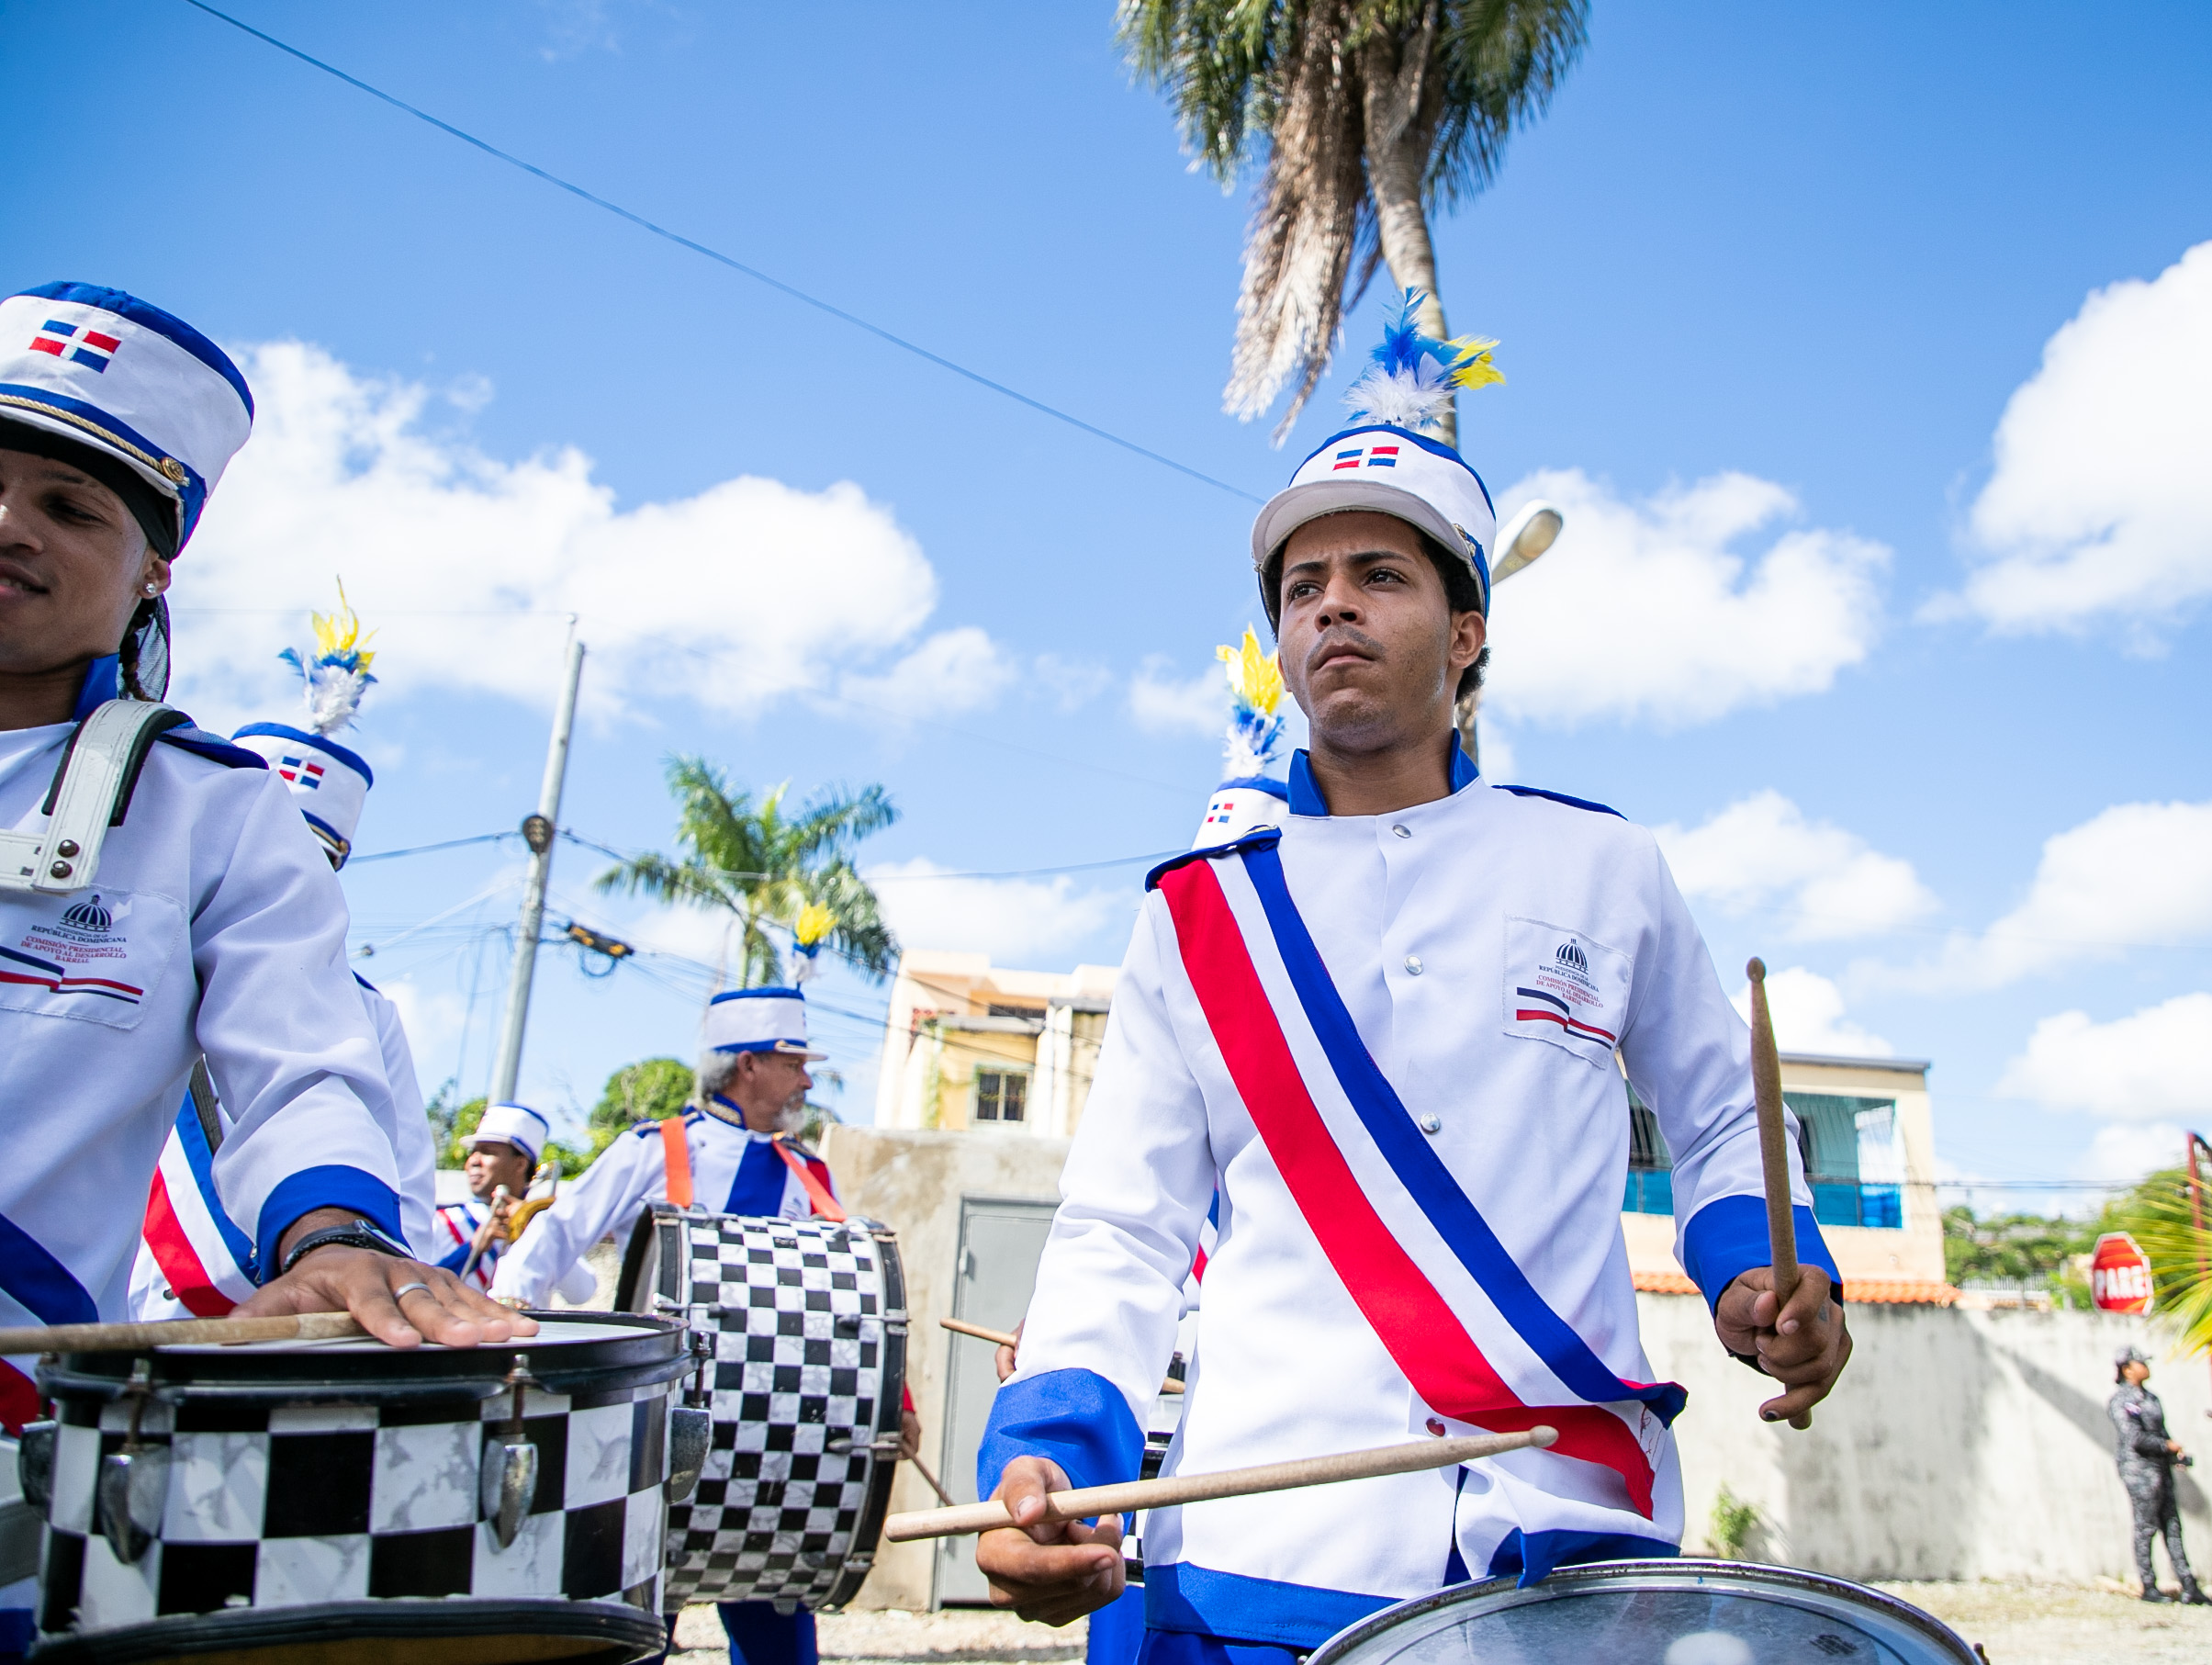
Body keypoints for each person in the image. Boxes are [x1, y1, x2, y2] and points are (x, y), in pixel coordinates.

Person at [972, 293, 1851, 1653]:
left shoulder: (1604, 865)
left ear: (1466, 632)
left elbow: (1728, 1111)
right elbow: (1123, 1226)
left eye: (1380, 575)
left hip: (1564, 1543)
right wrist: (1047, 1447)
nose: (1332, 604)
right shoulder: (1197, 916)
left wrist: (1762, 1267)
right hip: (1259, 1549)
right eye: (1302, 588)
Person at [0, 280, 526, 1410]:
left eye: (70, 506)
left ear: (153, 568)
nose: (9, 524)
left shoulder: (208, 814)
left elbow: (297, 1070)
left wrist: (335, 1234)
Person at [494, 984, 918, 1665]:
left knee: (775, 1616)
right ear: (748, 1064)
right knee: (639, 1622)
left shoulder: (806, 1172)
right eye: (793, 1063)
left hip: (772, 1431)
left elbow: (851, 1301)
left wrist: (898, 1403)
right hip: (657, 1425)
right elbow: (553, 1237)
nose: (807, 1080)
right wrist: (513, 1326)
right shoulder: (650, 1150)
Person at [129, 591, 441, 1318]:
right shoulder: (123, 945)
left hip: (273, 1327)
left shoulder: (366, 1011)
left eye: (310, 859)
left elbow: (407, 1195)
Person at [434, 1101, 597, 1302]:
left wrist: (535, 1226)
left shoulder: (544, 1224)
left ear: (520, 1164)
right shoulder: (445, 1221)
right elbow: (424, 1286)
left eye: (487, 1152)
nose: (473, 1161)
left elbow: (582, 1293)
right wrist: (474, 1247)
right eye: (473, 1152)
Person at [2109, 1344, 2206, 1603]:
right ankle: (2149, 1586)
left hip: (2160, 1470)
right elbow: (2135, 1438)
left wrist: (2175, 1455)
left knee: (2172, 1526)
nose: (2146, 1367)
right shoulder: (2122, 1401)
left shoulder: (2151, 1399)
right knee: (2146, 1528)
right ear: (2127, 1369)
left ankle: (2189, 1586)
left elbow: (2161, 1433)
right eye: (2141, 1363)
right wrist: (2165, 1446)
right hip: (2139, 1472)